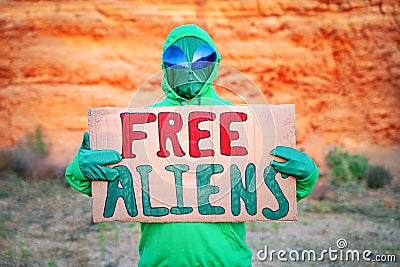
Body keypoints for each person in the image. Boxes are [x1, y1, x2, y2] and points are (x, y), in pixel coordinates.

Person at [65, 24, 319, 267]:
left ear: (215, 63)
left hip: (226, 263)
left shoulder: (242, 122)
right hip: (160, 263)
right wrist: (81, 166)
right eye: (177, 58)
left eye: (201, 58)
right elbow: (96, 185)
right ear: (165, 67)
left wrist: (307, 174)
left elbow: (271, 189)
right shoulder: (139, 124)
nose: (188, 68)